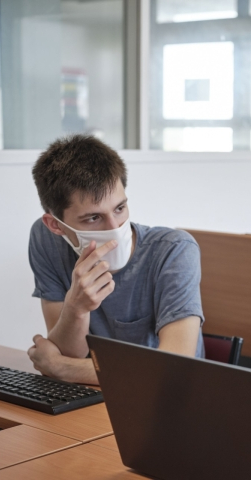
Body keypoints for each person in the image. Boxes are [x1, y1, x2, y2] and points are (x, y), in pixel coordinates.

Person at [27, 135, 204, 385]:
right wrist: (76, 308)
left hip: (169, 401)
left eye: (120, 208)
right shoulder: (46, 240)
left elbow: (174, 368)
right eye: (93, 218)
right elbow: (69, 352)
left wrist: (63, 368)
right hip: (94, 397)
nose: (114, 227)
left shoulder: (173, 250)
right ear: (56, 225)